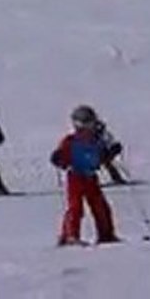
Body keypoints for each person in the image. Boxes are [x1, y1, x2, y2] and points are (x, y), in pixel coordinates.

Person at [51, 105, 120, 246]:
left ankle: (106, 234)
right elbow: (63, 157)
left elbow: (101, 157)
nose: (90, 127)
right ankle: (70, 235)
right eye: (87, 123)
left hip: (91, 177)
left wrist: (111, 152)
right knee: (75, 208)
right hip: (75, 177)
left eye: (91, 122)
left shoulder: (96, 141)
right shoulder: (71, 141)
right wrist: (58, 158)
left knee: (100, 206)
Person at [95, 115, 127, 185]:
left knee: (107, 163)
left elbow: (111, 143)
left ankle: (117, 179)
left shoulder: (103, 134)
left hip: (103, 153)